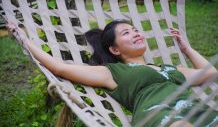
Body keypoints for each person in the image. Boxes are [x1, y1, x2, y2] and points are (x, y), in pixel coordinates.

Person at [7, 20, 218, 127]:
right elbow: (60, 68)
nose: (136, 33)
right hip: (158, 115)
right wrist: (25, 41)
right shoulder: (113, 72)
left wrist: (186, 49)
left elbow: (211, 74)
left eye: (136, 30)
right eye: (127, 33)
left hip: (197, 110)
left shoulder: (171, 69)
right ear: (115, 50)